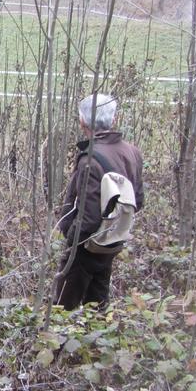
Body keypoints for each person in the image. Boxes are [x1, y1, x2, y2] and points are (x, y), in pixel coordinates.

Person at [54, 93, 144, 310]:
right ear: (113, 120)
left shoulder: (90, 160)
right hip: (112, 243)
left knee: (61, 311)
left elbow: (89, 218)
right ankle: (96, 342)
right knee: (97, 308)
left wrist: (72, 241)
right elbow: (137, 201)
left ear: (82, 121)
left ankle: (58, 345)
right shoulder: (132, 152)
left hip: (86, 248)